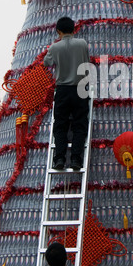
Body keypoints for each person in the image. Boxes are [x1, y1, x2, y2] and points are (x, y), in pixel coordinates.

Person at [44, 17, 90, 171]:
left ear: (58, 31)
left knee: (61, 125)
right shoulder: (82, 44)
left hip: (63, 89)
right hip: (80, 88)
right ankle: (76, 159)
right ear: (74, 29)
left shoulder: (55, 47)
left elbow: (46, 63)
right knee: (80, 124)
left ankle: (59, 159)